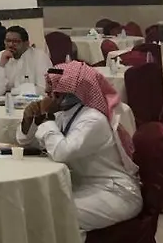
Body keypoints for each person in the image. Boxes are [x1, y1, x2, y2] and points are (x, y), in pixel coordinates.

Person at [17, 62, 141, 231]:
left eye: (52, 93)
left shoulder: (93, 119)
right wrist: (28, 121)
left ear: (68, 94)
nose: (46, 96)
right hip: (84, 185)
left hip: (115, 191)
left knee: (52, 214)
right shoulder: (65, 114)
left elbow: (61, 152)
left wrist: (46, 118)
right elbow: (30, 143)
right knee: (35, 205)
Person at [0, 26, 51, 96]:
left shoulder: (39, 57)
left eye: (15, 41)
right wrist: (1, 66)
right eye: (8, 41)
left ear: (26, 43)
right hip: (6, 101)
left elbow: (44, 90)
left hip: (34, 101)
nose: (10, 45)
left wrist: (14, 91)